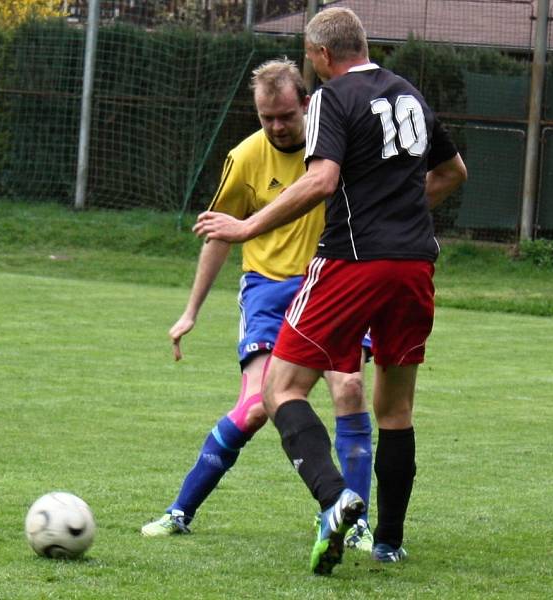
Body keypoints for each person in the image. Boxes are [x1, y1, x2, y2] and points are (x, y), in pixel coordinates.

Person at [195, 7, 467, 576]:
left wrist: (247, 227)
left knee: (280, 388)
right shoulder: (410, 95)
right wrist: (404, 217)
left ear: (320, 56)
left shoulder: (331, 98)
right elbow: (452, 173)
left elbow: (321, 180)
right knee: (395, 406)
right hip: (416, 264)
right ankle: (389, 541)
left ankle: (333, 496)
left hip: (354, 261)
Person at [141, 58, 375, 553]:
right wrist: (191, 310)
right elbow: (219, 234)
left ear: (307, 104)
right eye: (266, 117)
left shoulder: (336, 147)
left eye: (285, 116)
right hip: (267, 291)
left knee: (349, 390)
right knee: (253, 409)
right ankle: (180, 510)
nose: (276, 127)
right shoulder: (245, 156)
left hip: (332, 284)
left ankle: (354, 521)